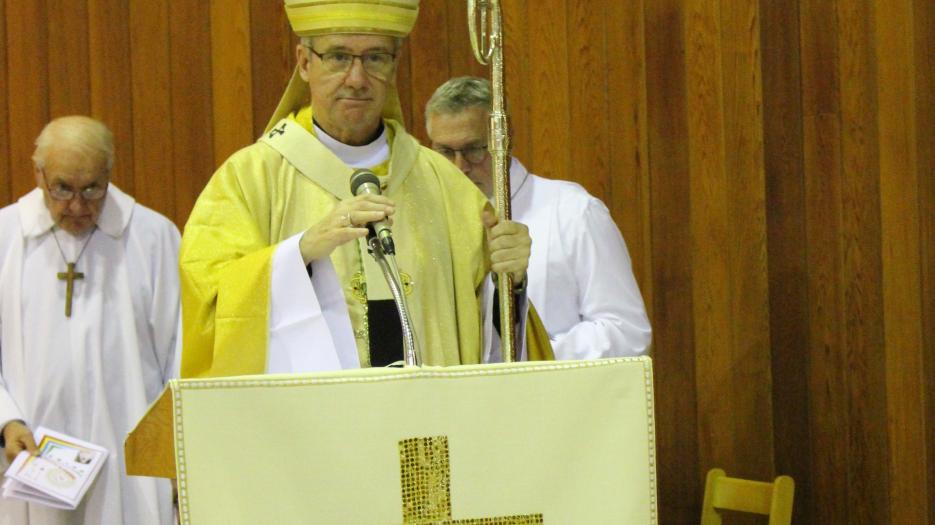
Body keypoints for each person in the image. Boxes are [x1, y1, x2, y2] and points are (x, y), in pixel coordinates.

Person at [180, 0, 548, 379]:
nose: (356, 78)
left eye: (375, 58)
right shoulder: (249, 179)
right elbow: (212, 305)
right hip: (310, 426)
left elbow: (489, 342)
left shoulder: (447, 186)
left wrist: (509, 283)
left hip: (425, 422)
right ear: (304, 62)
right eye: (338, 57)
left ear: (395, 64)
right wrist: (300, 253)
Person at [0, 116, 179, 524]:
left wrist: (170, 457)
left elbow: (179, 355)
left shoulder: (154, 238)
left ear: (110, 175)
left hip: (128, 464)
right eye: (62, 188)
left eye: (92, 189)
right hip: (28, 458)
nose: (77, 206)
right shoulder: (5, 238)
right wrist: (7, 421)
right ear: (39, 175)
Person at [425, 77, 652, 359]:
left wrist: (533, 355)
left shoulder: (572, 212)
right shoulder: (427, 223)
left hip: (550, 394)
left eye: (473, 150)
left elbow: (626, 333)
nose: (460, 167)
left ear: (504, 140)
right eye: (445, 152)